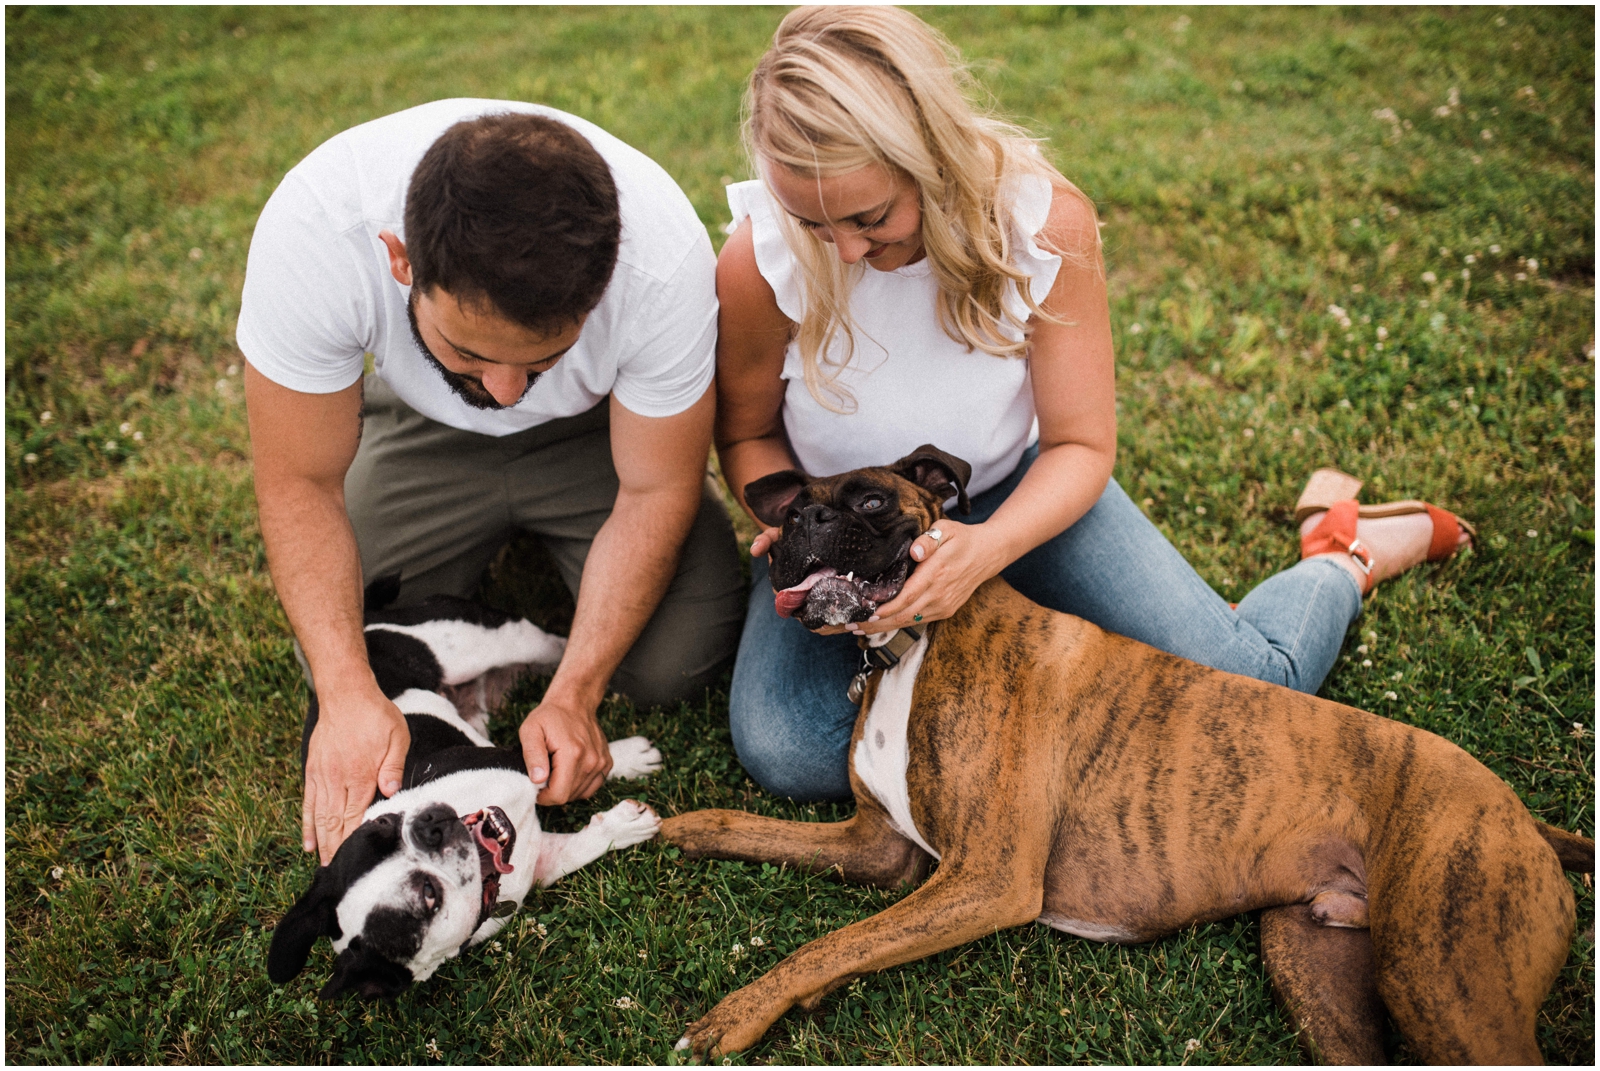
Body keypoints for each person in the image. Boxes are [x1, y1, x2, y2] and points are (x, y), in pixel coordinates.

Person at [715, 7, 1472, 801]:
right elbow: (748, 433)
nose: (844, 251)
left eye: (871, 218)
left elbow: (1080, 446)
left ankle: (1344, 553)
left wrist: (985, 548)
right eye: (812, 221)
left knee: (1245, 682)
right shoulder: (763, 258)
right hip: (843, 525)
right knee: (793, 749)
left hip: (1013, 492)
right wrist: (798, 528)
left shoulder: (1042, 226)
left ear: (929, 158)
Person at [239, 100, 745, 862]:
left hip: (596, 435)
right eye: (472, 352)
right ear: (400, 260)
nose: (507, 392)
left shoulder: (661, 259)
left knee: (675, 658)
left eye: (540, 358)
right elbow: (299, 484)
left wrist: (575, 692)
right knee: (346, 636)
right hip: (423, 424)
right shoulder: (317, 226)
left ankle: (544, 543)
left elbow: (656, 492)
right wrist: (344, 693)